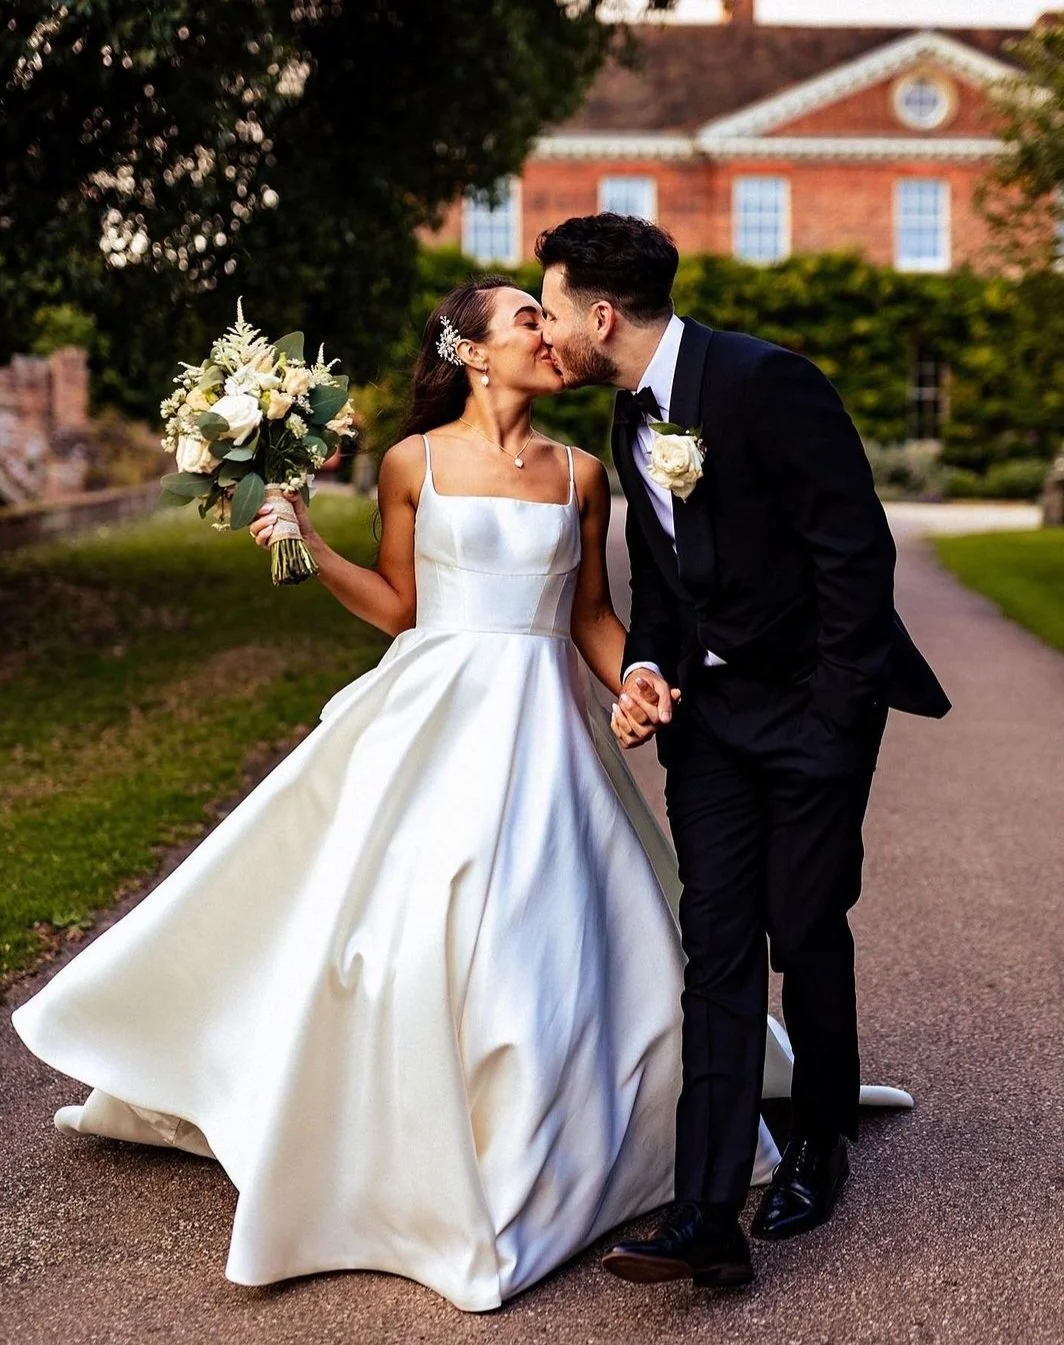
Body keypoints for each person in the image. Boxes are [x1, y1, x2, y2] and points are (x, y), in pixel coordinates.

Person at [12, 274, 911, 1310]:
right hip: (433, 715)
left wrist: (644, 679)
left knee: (556, 938)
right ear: (472, 350)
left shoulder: (584, 470)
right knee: (403, 929)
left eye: (547, 309)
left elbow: (590, 619)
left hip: (545, 731)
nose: (547, 329)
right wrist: (309, 543)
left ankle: (542, 1147)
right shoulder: (411, 462)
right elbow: (399, 606)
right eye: (526, 316)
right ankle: (402, 1149)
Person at [537, 213, 949, 1289]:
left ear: (602, 312)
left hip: (812, 711)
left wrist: (832, 724)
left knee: (804, 923)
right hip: (709, 730)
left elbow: (855, 557)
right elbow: (666, 584)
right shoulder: (632, 420)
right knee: (714, 943)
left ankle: (819, 1134)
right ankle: (706, 1209)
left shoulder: (769, 382)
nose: (547, 334)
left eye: (552, 309)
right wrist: (646, 671)